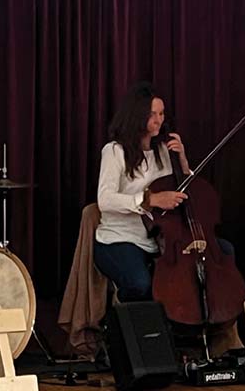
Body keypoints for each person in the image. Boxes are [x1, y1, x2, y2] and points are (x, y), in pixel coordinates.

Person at [94, 82, 235, 302]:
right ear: (137, 115)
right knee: (141, 285)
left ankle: (210, 329)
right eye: (153, 115)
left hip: (163, 238)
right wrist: (151, 199)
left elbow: (187, 192)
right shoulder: (115, 151)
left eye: (161, 113)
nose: (159, 120)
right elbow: (105, 199)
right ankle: (123, 318)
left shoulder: (163, 150)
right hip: (121, 238)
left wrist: (182, 159)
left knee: (224, 252)